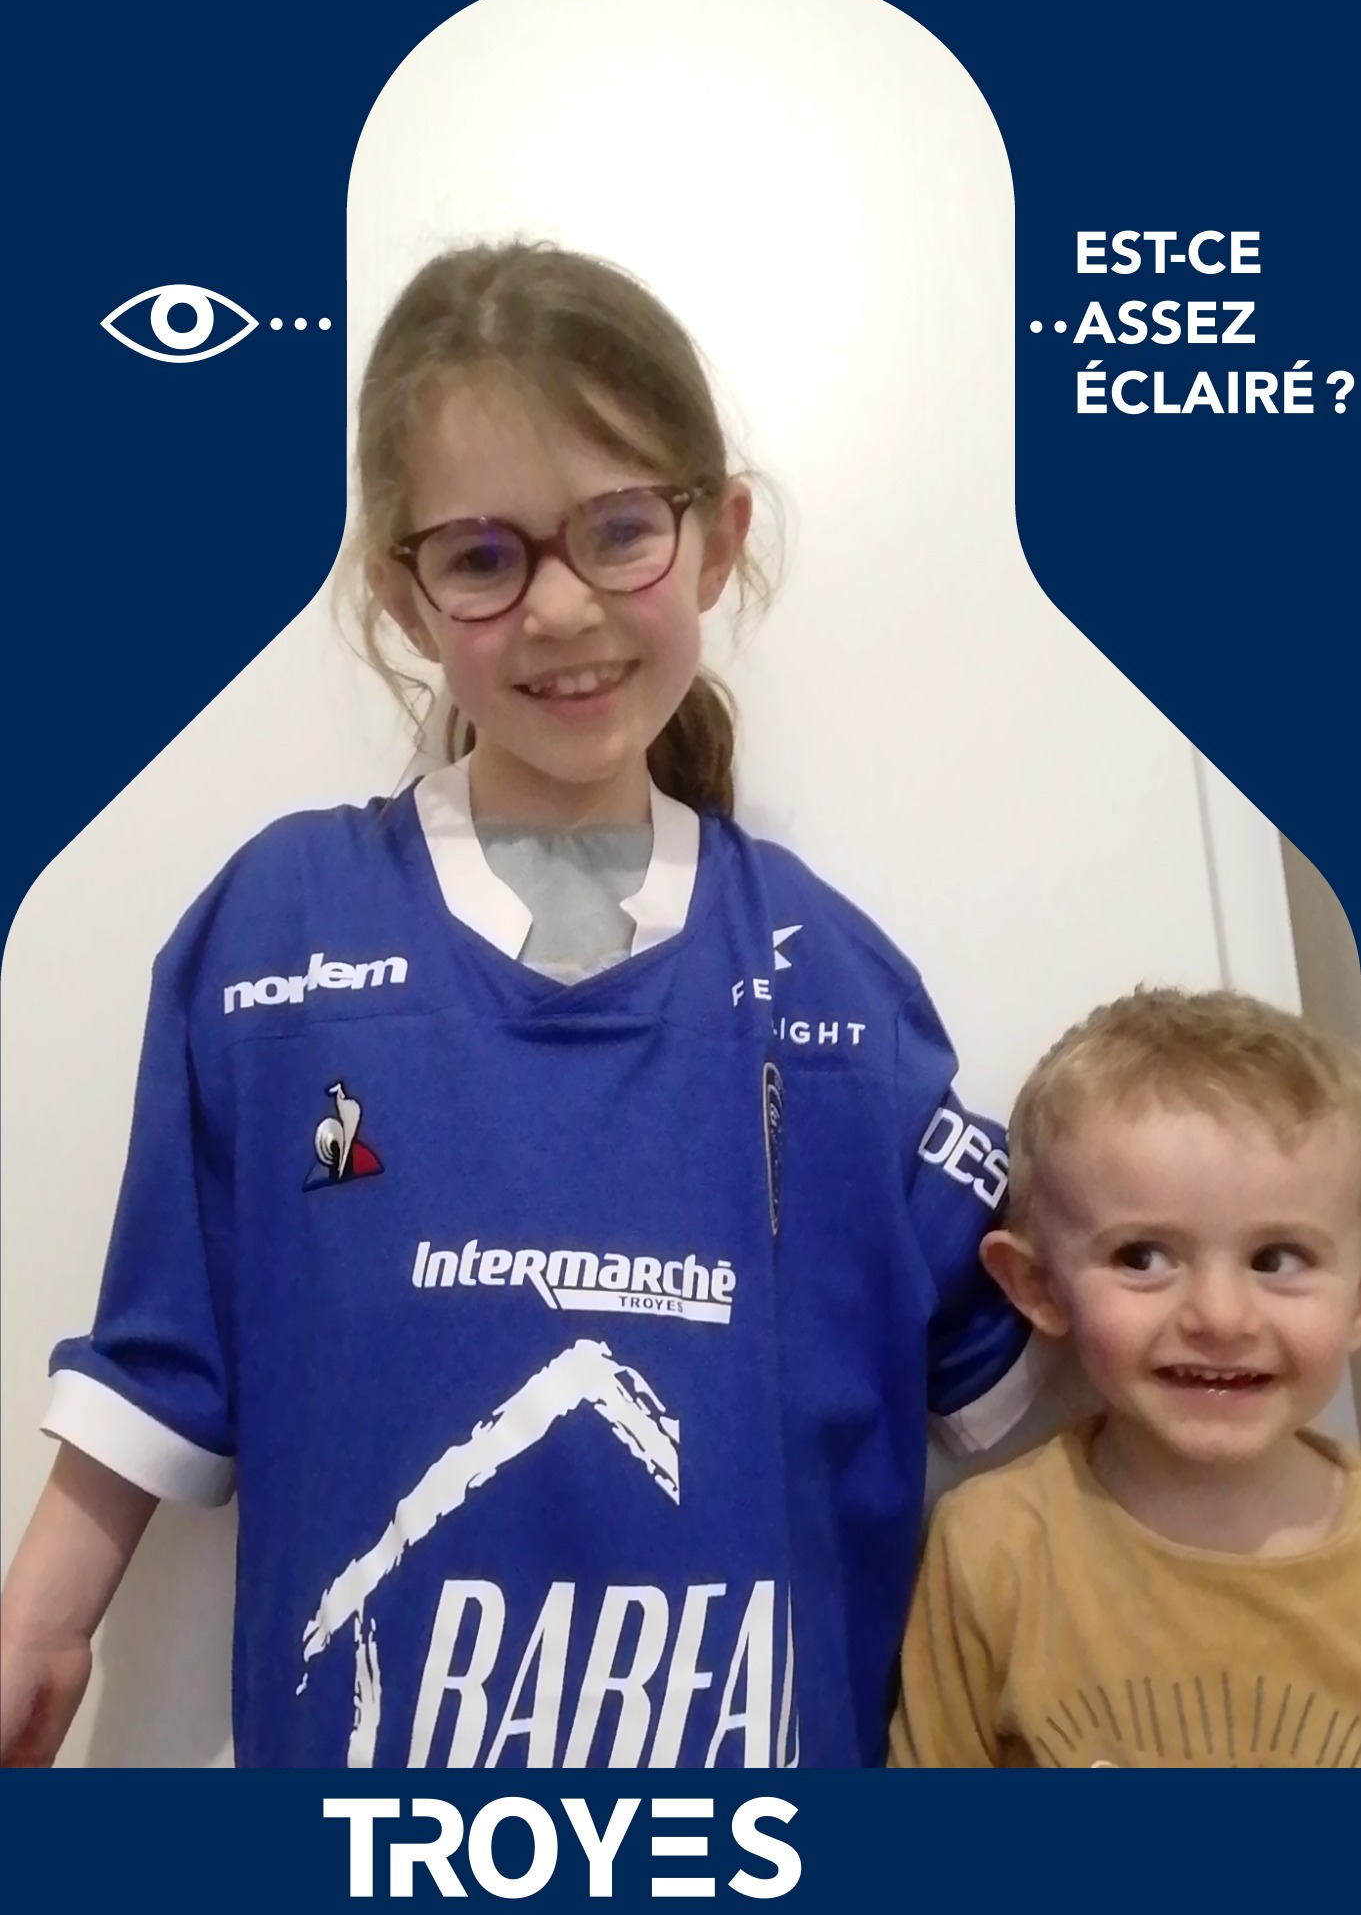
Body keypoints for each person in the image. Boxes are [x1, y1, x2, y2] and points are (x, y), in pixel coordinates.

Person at [1, 242, 1032, 1771]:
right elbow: (160, 1361)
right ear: (402, 595)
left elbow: (1041, 1378)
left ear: (717, 539)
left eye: (619, 530)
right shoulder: (276, 939)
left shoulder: (832, 988)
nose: (559, 608)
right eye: (485, 556)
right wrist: (39, 1625)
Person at [891, 987, 1361, 1769]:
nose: (1219, 1317)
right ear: (1037, 1287)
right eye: (1141, 1256)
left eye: (1276, 1259)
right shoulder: (990, 1549)